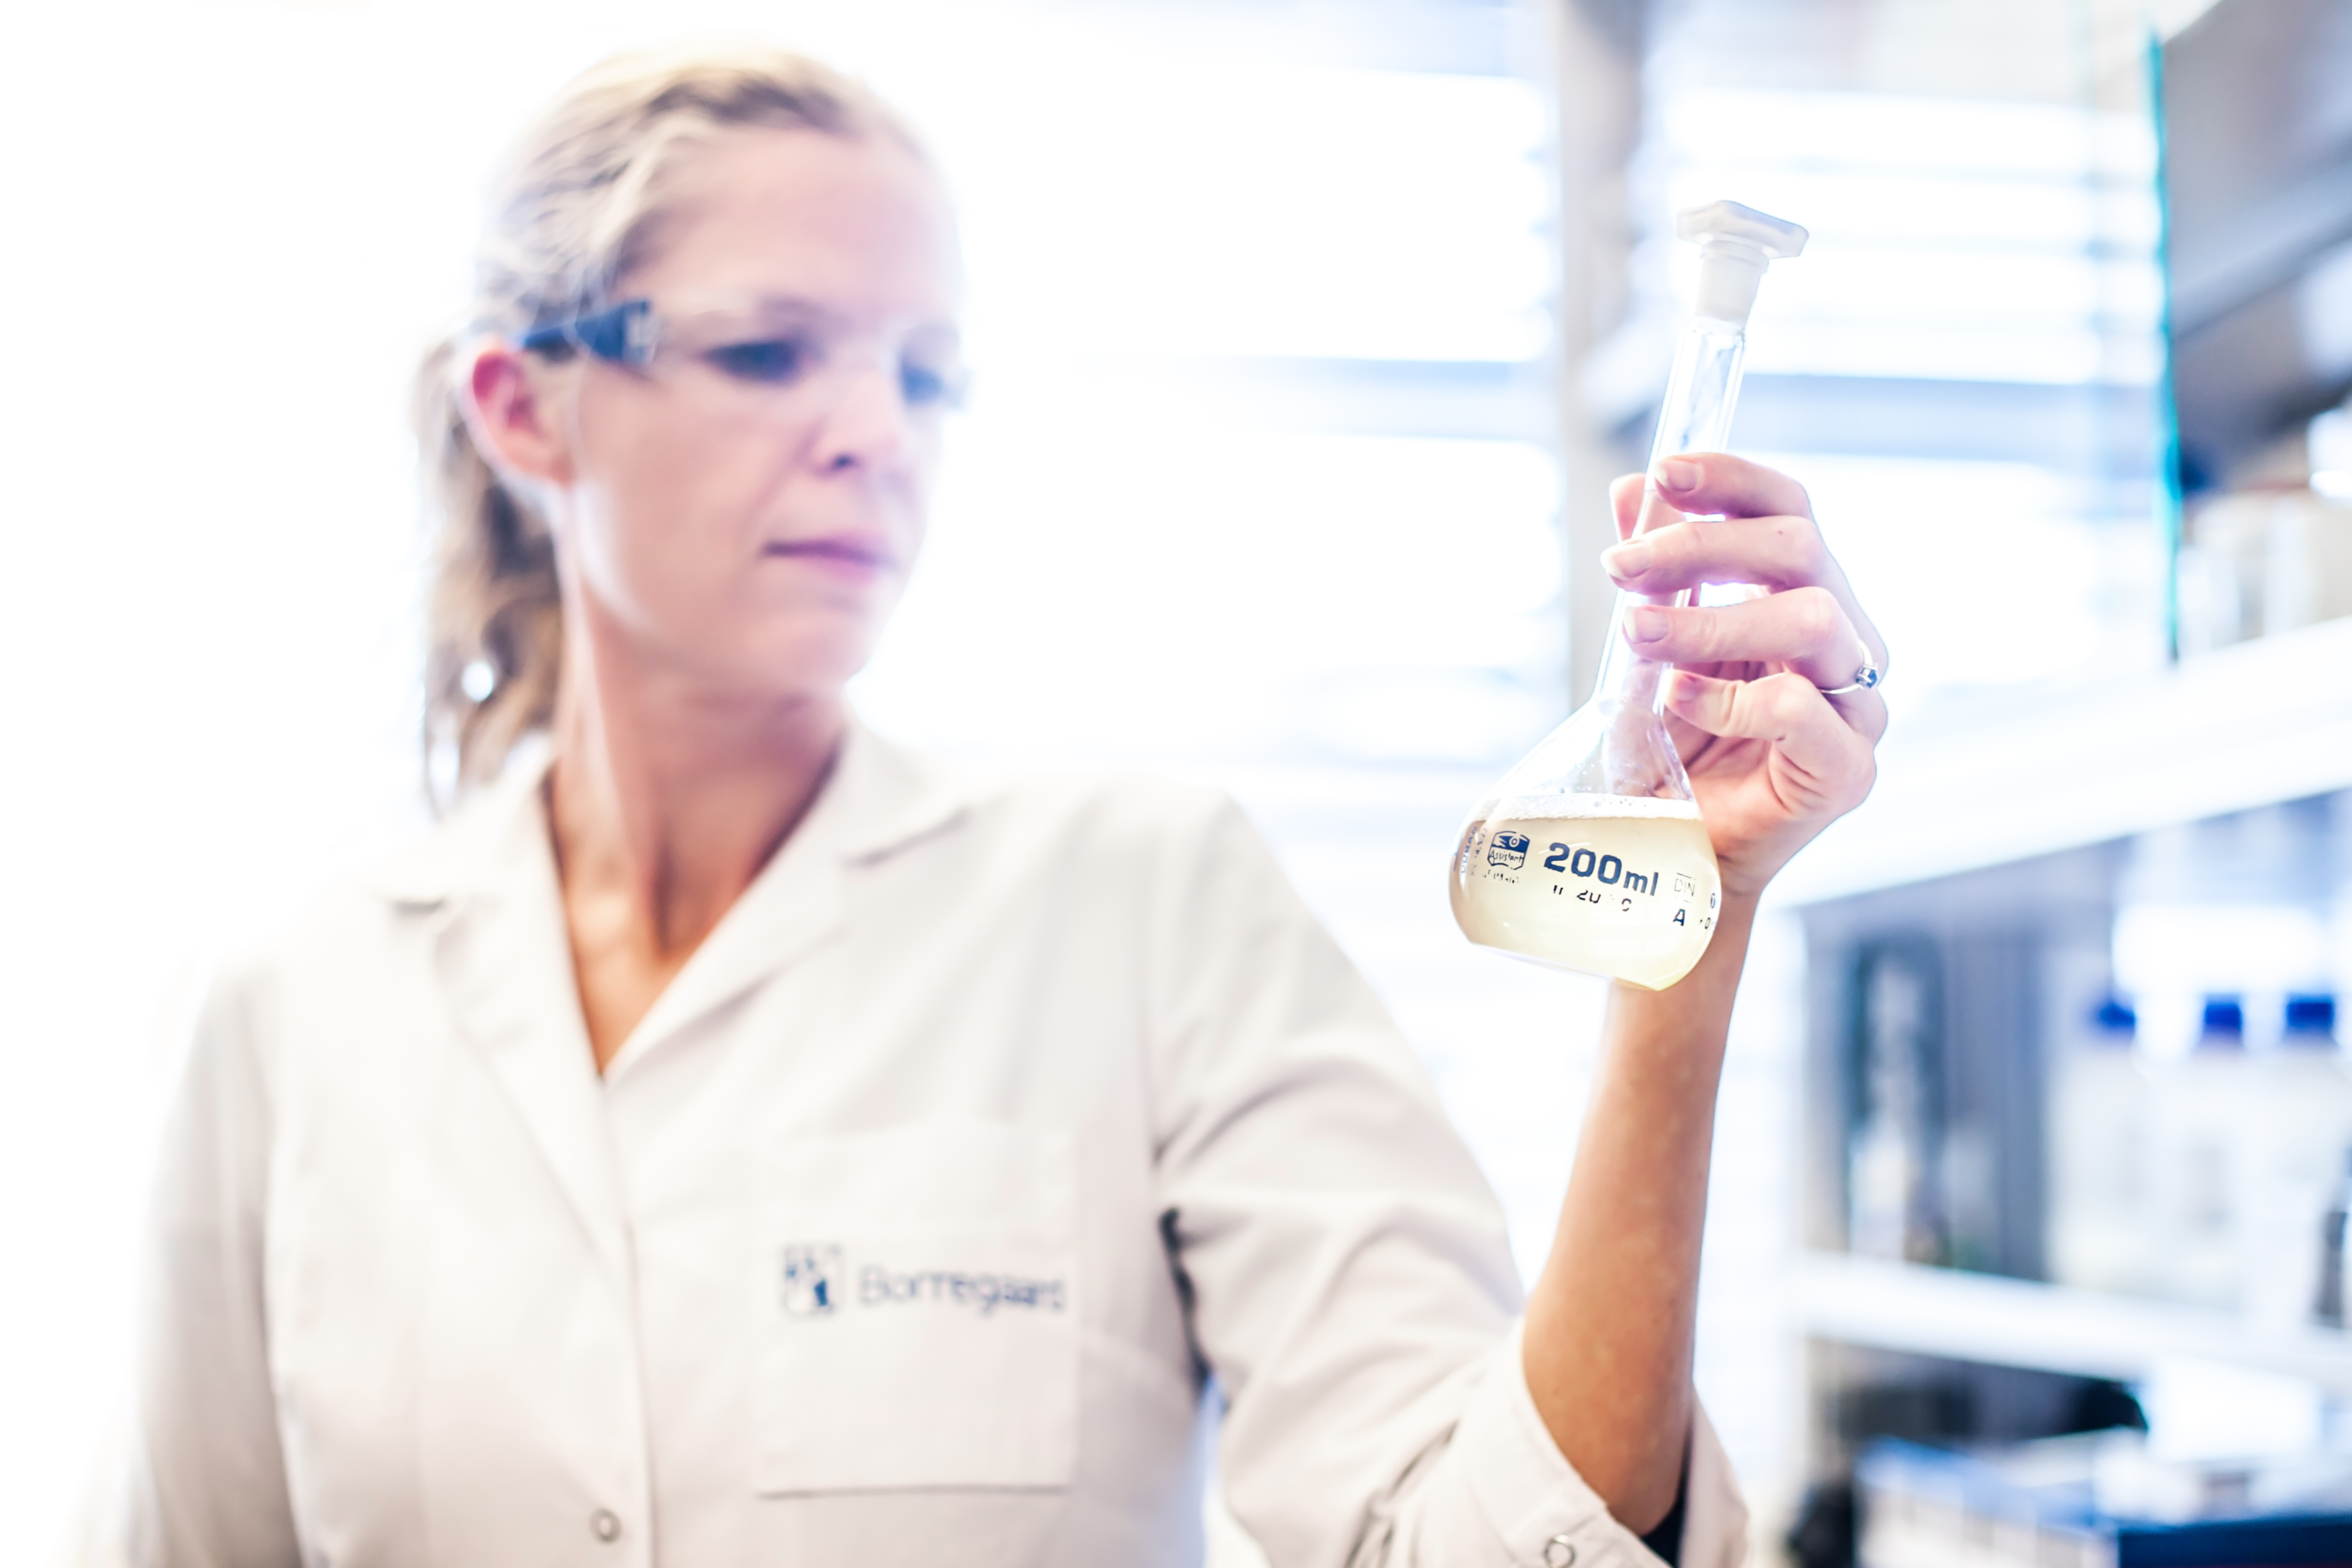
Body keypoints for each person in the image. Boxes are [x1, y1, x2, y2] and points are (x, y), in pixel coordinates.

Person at [121, 42, 1885, 1568]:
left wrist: (1695, 923)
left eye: (924, 372)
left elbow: (1483, 1543)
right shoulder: (296, 1007)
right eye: (766, 353)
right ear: (527, 408)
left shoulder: (1139, 901)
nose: (875, 434)